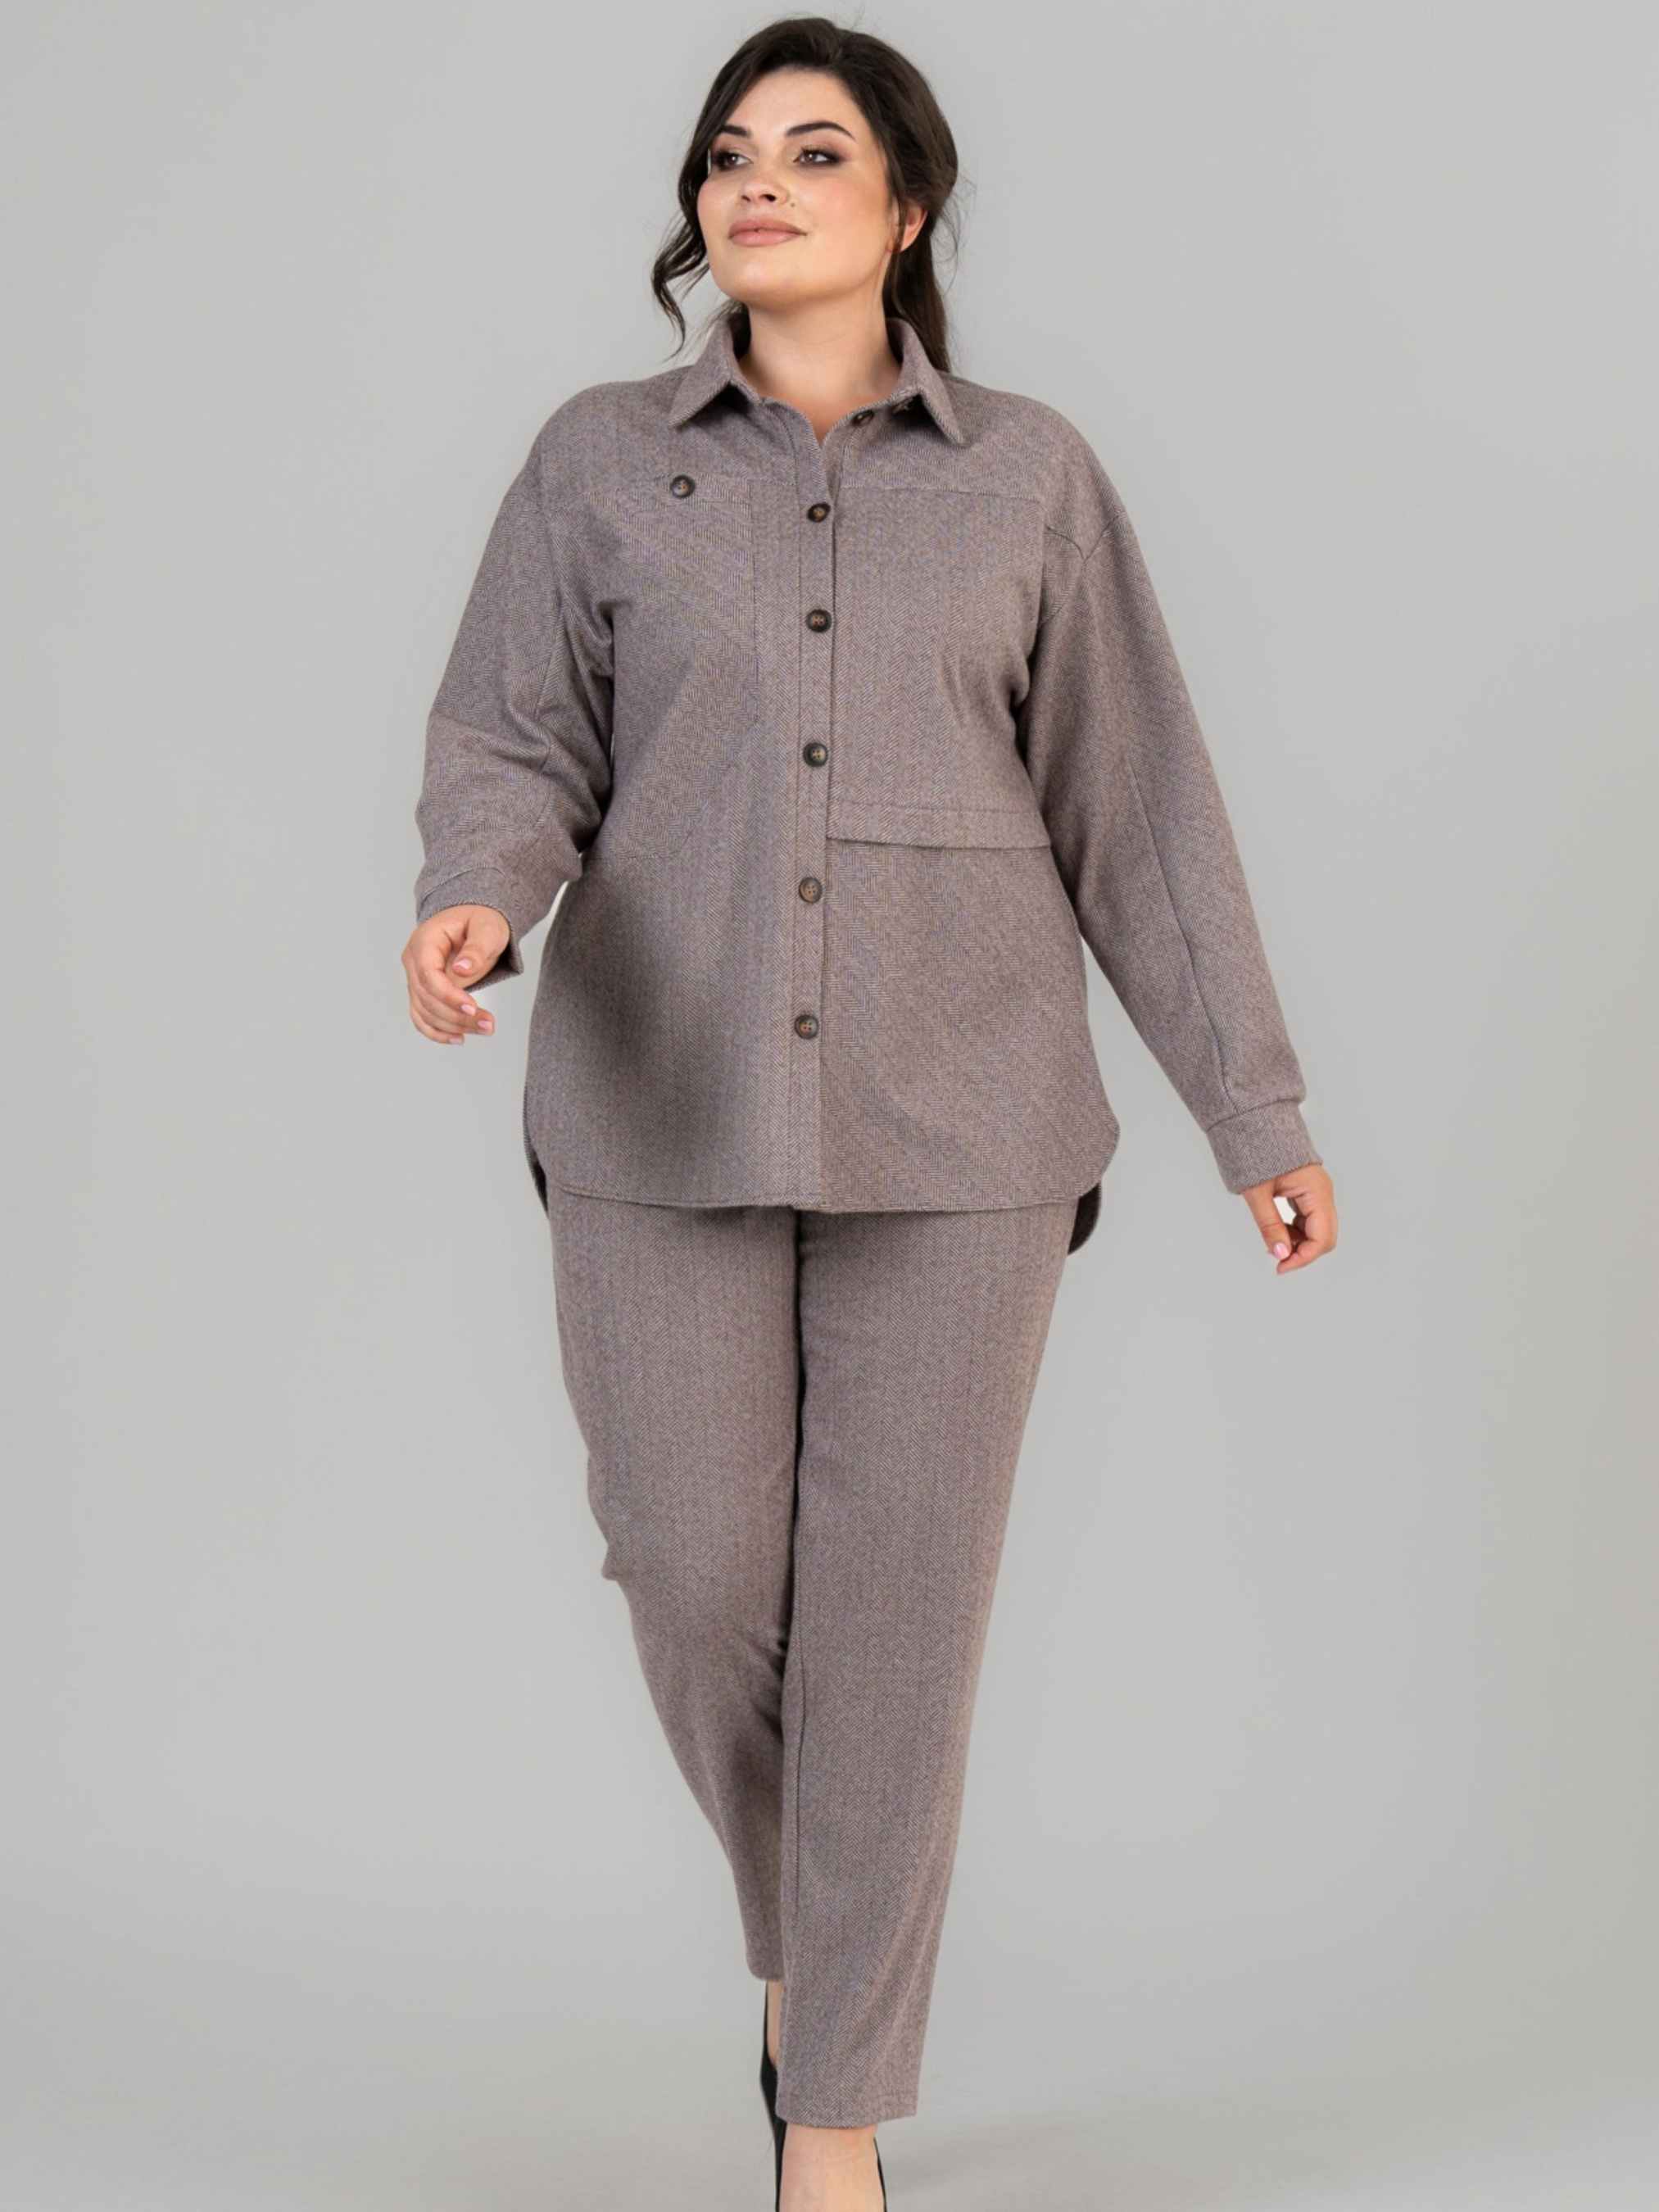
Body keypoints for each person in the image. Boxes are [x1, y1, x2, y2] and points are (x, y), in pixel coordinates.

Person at [402, 17, 1337, 2210]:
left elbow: (1136, 811)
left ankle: (830, 2107)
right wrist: (478, 891)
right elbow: (515, 735)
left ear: (906, 209)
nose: (759, 181)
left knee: (897, 1634)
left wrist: (1255, 1109)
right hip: (658, 1108)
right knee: (692, 1572)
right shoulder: (596, 462)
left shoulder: (1029, 481)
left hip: (966, 1133)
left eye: (816, 152)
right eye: (730, 150)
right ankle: (812, 1956)